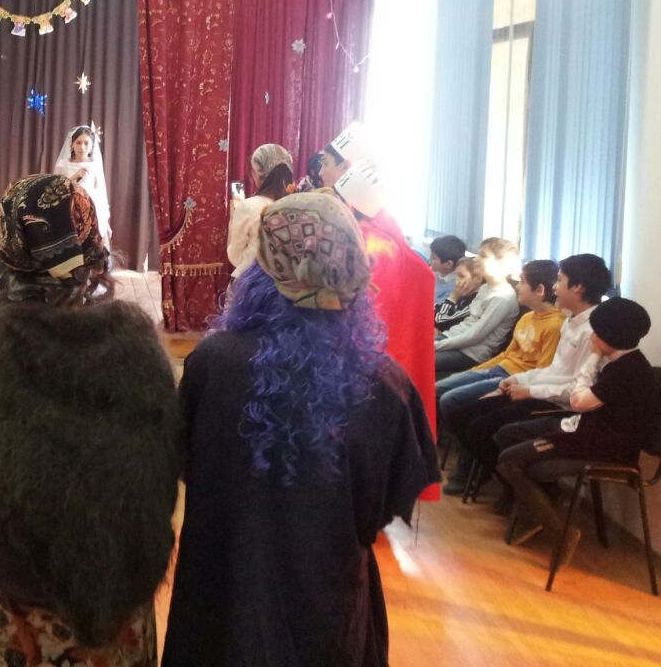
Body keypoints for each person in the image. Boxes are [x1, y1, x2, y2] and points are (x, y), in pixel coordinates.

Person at [163, 192, 439, 667]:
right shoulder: (385, 384)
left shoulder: (213, 362)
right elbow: (382, 508)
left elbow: (187, 464)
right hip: (327, 605)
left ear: (262, 269)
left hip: (222, 595)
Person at [0, 174, 179, 667]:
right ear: (89, 237)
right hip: (117, 609)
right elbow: (164, 473)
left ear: (10, 248)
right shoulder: (141, 349)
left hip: (16, 611)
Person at [497, 297, 658, 563]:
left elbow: (578, 402)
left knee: (511, 461)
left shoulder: (627, 370)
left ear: (609, 336)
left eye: (597, 332)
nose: (593, 336)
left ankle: (561, 532)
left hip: (606, 446)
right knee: (512, 448)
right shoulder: (625, 362)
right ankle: (539, 514)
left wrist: (592, 357)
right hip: (588, 432)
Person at [446, 254, 610, 503]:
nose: (555, 288)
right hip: (542, 392)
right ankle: (513, 485)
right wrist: (520, 380)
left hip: (559, 407)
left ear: (578, 287)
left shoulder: (593, 330)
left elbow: (575, 389)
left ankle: (526, 491)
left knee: (481, 427)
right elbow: (554, 370)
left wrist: (529, 390)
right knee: (462, 414)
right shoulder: (571, 321)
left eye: (560, 280)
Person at [332, 156, 439, 469]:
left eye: (327, 164)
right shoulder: (384, 234)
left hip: (367, 369)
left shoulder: (371, 244)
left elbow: (360, 319)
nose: (322, 171)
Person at [435, 260, 563, 496]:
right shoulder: (527, 318)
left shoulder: (555, 325)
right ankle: (470, 461)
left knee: (451, 400)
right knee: (443, 390)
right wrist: (475, 371)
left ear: (540, 290)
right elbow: (507, 355)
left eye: (522, 282)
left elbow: (543, 369)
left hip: (516, 378)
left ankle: (474, 467)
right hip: (499, 369)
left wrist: (505, 383)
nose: (518, 287)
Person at [433, 238, 520, 376]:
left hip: (469, 354)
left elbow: (474, 336)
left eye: (483, 256)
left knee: (417, 359)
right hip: (452, 339)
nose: (476, 259)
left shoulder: (502, 297)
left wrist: (436, 345)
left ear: (501, 263)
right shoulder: (485, 287)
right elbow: (467, 323)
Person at [225, 143, 293, 281]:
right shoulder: (295, 205)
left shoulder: (248, 207)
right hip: (284, 286)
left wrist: (233, 219)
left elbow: (236, 257)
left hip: (251, 284)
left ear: (256, 172)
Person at [53, 124, 112, 249]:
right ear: (72, 144)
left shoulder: (94, 165)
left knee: (91, 243)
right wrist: (75, 176)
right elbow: (56, 188)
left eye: (86, 143)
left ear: (92, 145)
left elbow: (101, 192)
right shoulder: (63, 164)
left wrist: (105, 222)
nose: (82, 147)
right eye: (78, 143)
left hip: (90, 206)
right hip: (68, 205)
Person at [434, 257, 482, 333]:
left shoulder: (474, 302)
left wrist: (452, 298)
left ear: (477, 279)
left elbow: (439, 320)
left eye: (461, 276)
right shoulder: (463, 296)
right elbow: (434, 312)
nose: (457, 282)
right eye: (456, 276)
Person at [429, 235, 468, 305]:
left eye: (433, 258)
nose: (429, 259)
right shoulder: (436, 273)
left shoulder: (454, 288)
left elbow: (438, 309)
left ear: (448, 264)